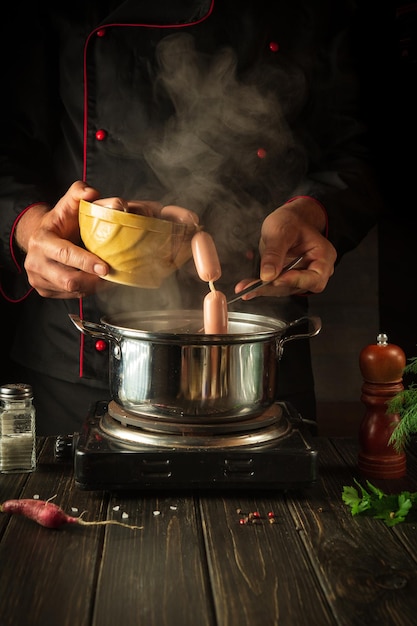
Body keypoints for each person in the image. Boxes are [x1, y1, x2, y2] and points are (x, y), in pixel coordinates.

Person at [0, 1, 382, 436]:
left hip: (259, 359)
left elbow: (356, 149)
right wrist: (32, 228)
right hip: (80, 355)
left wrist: (312, 211)